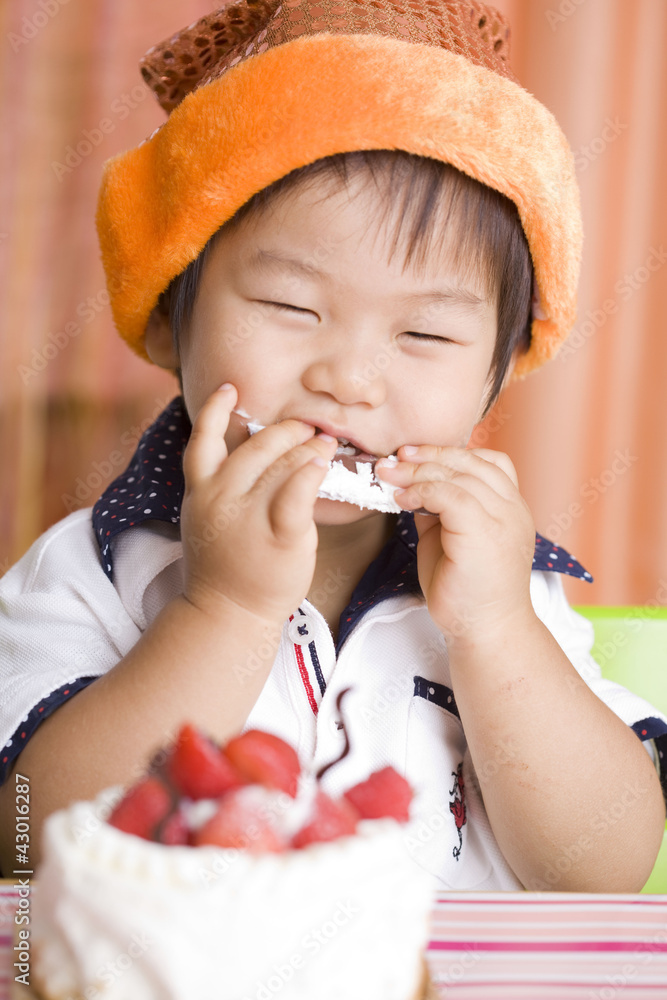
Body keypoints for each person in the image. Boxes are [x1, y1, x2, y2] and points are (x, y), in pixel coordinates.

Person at [0, 0, 665, 890]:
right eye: (290, 306)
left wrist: (498, 628)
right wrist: (223, 610)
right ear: (166, 318)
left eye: (425, 335)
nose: (350, 379)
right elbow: (29, 840)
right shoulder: (90, 572)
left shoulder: (508, 591)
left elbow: (603, 874)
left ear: (495, 377)